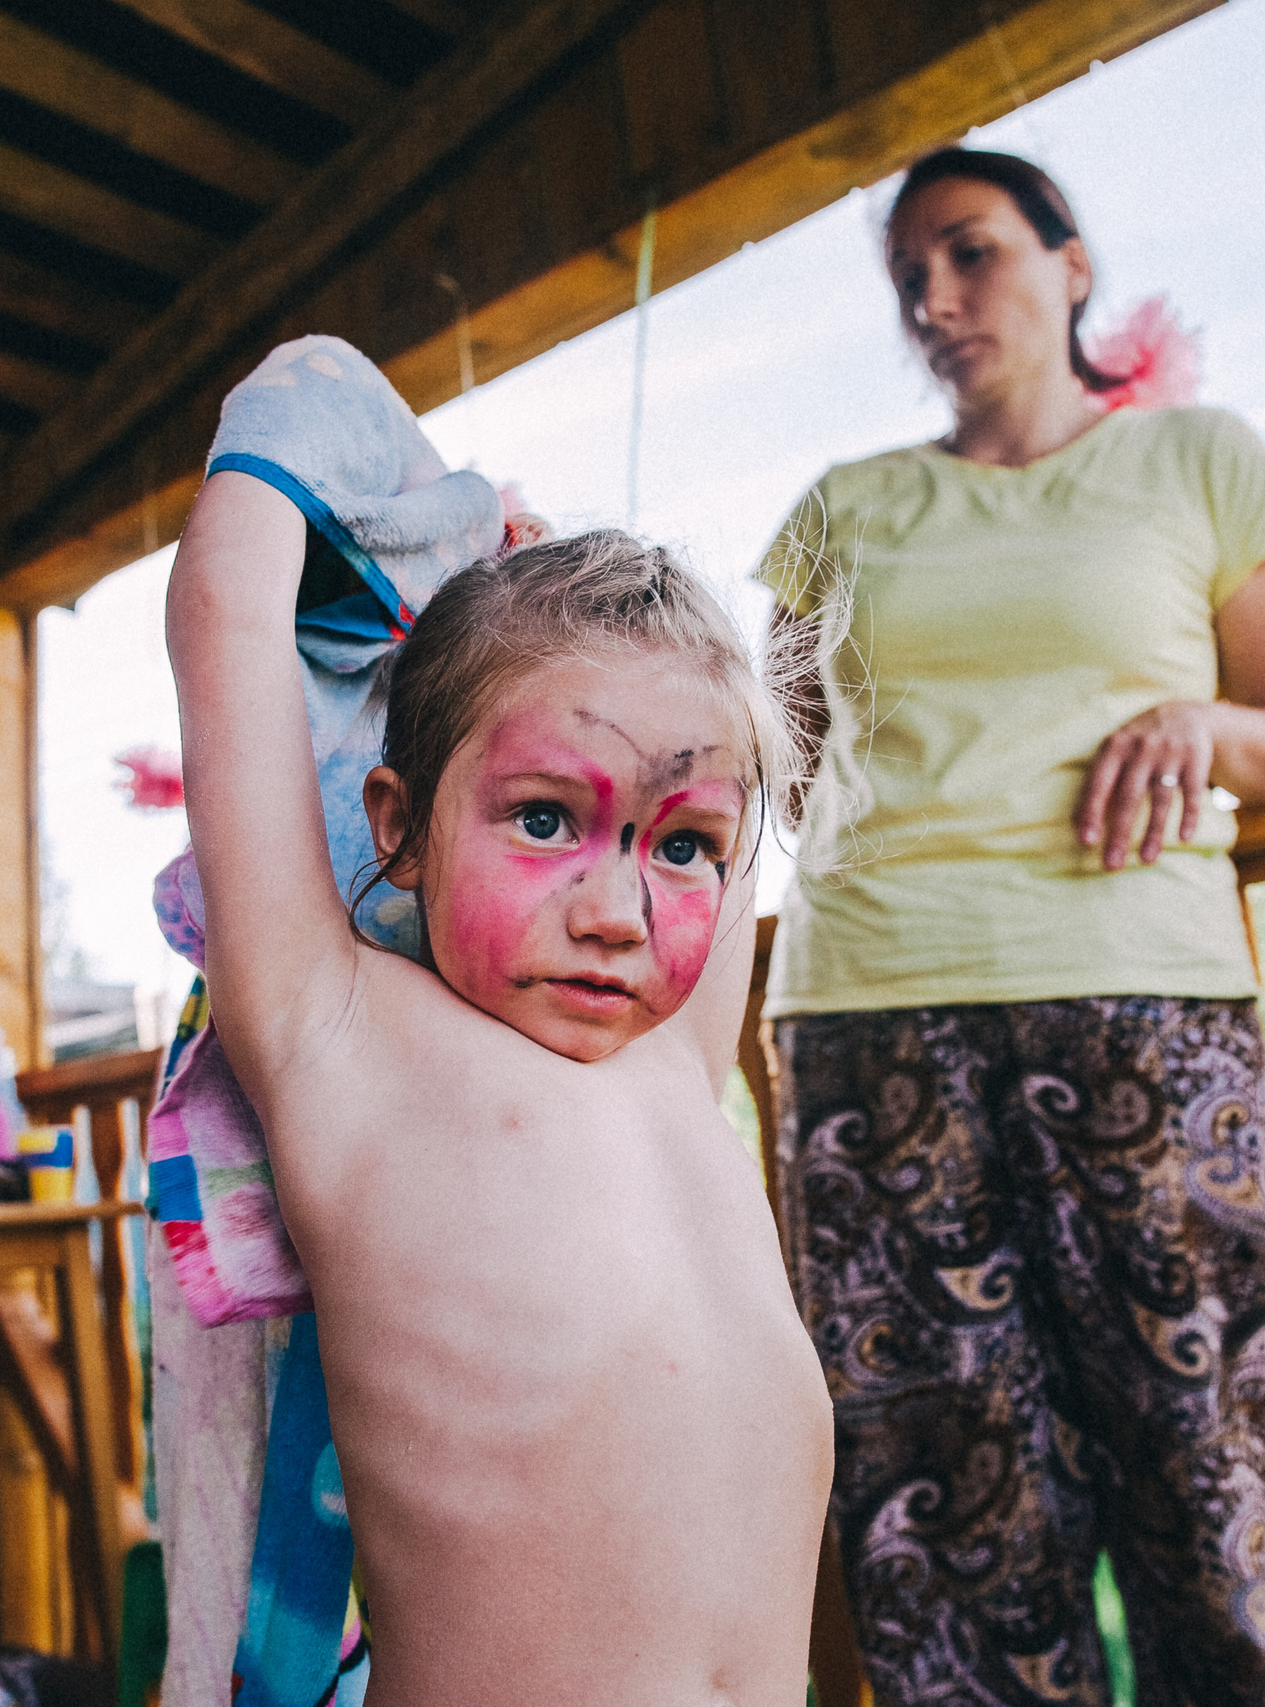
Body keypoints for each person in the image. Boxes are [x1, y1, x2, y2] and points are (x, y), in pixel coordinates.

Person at [760, 147, 1265, 1707]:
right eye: (909, 280)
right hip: (869, 1010)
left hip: (1145, 1006)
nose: (937, 301)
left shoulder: (1203, 461)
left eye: (970, 254)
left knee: (1208, 1494)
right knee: (950, 1536)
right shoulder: (841, 508)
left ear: (1070, 262)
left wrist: (1203, 721)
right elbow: (775, 758)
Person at [168, 487, 835, 1704]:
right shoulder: (341, 1036)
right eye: (543, 817)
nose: (615, 914)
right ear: (401, 827)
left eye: (680, 847)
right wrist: (417, 502)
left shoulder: (678, 1056)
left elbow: (738, 780)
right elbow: (227, 606)